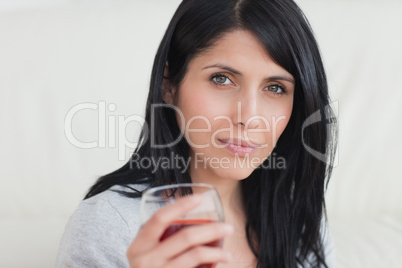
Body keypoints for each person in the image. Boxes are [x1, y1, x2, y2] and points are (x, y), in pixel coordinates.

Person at [56, 0, 338, 267]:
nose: (250, 118)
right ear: (169, 85)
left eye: (275, 87)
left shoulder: (299, 220)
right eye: (221, 79)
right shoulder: (112, 224)